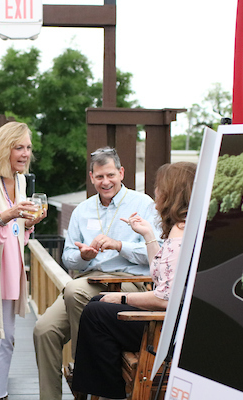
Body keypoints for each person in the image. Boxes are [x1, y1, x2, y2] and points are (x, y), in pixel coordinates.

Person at [33, 147, 161, 400]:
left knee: (73, 290)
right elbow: (67, 256)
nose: (106, 182)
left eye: (111, 175)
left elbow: (155, 252)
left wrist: (119, 245)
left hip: (130, 282)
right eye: (100, 177)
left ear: (122, 173)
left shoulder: (142, 203)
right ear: (91, 177)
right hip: (88, 279)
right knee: (43, 331)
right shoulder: (83, 209)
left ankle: (90, 378)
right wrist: (83, 256)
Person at [72, 162, 197, 399]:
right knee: (97, 304)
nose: (156, 193)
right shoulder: (181, 228)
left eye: (160, 188)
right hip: (171, 322)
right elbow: (160, 275)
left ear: (172, 192)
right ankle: (103, 390)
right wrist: (148, 234)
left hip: (170, 331)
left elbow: (164, 299)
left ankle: (108, 393)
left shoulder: (181, 234)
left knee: (96, 313)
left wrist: (121, 297)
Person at [0, 121, 47, 400]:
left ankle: (0, 393)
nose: (25, 154)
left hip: (11, 266)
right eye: (18, 147)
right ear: (3, 148)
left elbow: (19, 231)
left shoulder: (21, 180)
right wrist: (8, 215)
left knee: (6, 336)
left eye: (28, 147)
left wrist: (31, 223)